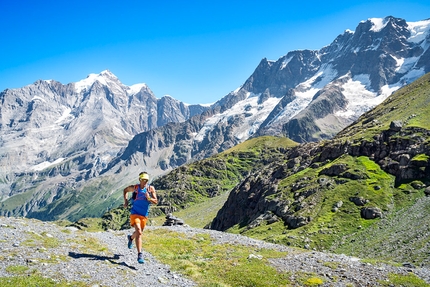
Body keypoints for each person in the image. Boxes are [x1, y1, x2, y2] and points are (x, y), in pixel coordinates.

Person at [123, 171, 158, 264]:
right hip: (135, 213)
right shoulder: (135, 188)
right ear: (140, 180)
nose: (145, 181)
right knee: (139, 231)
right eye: (143, 180)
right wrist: (126, 201)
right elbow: (125, 190)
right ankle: (140, 254)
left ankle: (130, 238)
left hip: (144, 215)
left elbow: (155, 201)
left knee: (139, 232)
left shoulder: (150, 189)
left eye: (146, 180)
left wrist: (149, 198)